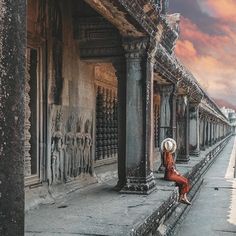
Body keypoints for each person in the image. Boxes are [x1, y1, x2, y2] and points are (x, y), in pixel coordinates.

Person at [161, 138, 191, 205]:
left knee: (185, 180)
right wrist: (174, 170)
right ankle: (182, 198)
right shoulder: (166, 154)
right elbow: (168, 166)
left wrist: (175, 171)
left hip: (172, 173)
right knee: (184, 181)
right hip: (169, 175)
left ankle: (183, 197)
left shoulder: (168, 154)